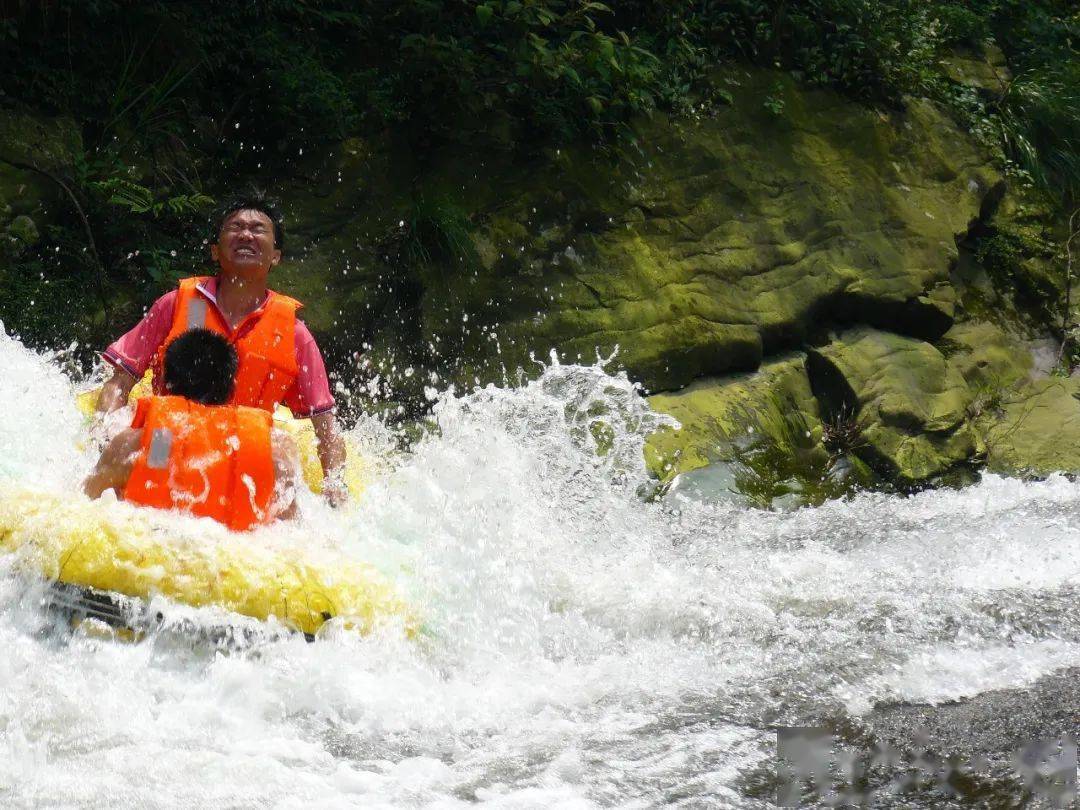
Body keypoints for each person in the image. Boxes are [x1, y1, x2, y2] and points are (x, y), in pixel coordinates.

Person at [95, 191, 347, 506]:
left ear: (276, 255)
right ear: (215, 251)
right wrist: (100, 439)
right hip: (166, 435)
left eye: (258, 229)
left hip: (244, 448)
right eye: (235, 227)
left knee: (277, 479)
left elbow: (325, 424)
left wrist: (335, 488)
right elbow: (120, 382)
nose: (246, 234)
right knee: (148, 502)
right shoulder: (176, 305)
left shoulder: (293, 334)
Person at [84, 329, 300, 529]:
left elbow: (84, 505)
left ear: (165, 382)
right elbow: (292, 530)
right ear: (232, 387)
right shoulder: (274, 455)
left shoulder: (137, 445)